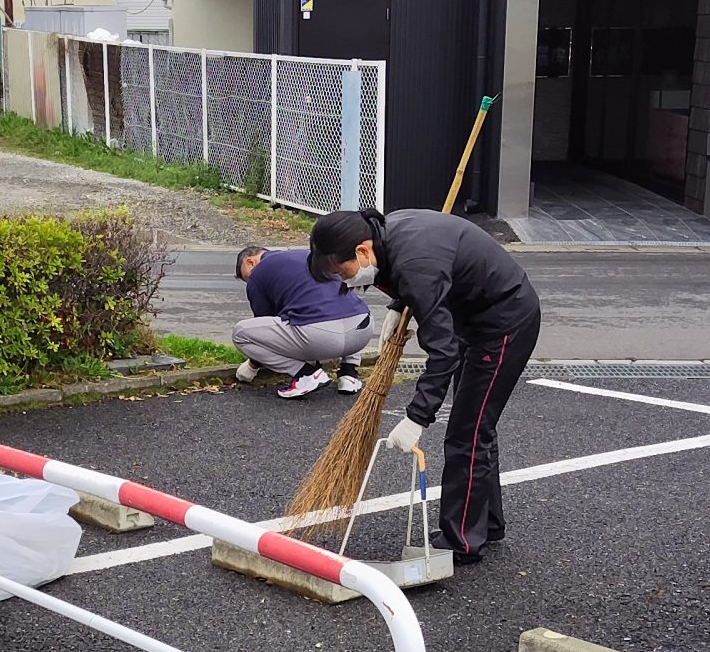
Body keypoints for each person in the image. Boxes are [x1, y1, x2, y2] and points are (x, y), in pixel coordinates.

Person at [306, 207, 541, 566]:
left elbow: (443, 351)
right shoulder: (386, 236)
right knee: (474, 426)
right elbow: (425, 277)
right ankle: (485, 524)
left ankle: (461, 540)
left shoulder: (414, 261)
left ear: (362, 252)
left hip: (504, 324)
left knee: (468, 432)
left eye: (342, 271)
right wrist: (400, 305)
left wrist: (417, 416)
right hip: (473, 318)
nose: (343, 281)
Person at [231, 244, 373, 398]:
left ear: (250, 262)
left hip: (322, 338)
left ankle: (306, 374)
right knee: (344, 304)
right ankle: (349, 374)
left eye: (247, 277)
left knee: (241, 333)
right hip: (362, 330)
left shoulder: (257, 273)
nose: (250, 282)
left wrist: (252, 365)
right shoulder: (311, 255)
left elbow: (263, 332)